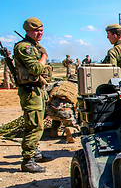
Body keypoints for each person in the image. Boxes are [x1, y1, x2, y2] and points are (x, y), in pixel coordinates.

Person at [13, 17, 52, 173]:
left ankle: (34, 153)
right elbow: (35, 69)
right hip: (30, 91)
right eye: (36, 30)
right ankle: (28, 160)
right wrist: (44, 56)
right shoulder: (25, 48)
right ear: (27, 31)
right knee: (34, 125)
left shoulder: (34, 46)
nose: (39, 33)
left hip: (36, 90)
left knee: (38, 123)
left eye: (41, 30)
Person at [46, 76, 79, 143]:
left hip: (50, 110)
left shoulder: (59, 83)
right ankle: (71, 130)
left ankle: (54, 131)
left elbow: (46, 88)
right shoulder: (78, 87)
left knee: (57, 117)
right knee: (73, 125)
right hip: (65, 111)